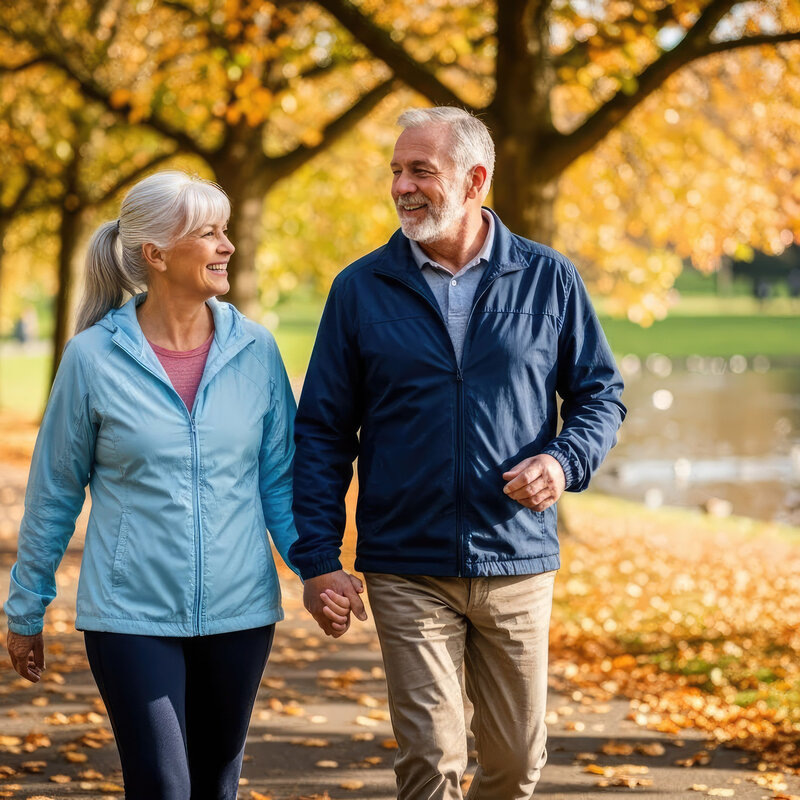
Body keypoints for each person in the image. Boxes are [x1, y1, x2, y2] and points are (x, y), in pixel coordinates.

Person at [290, 107, 626, 799]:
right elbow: (323, 431)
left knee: (515, 762)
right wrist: (319, 559)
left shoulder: (549, 278)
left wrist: (562, 461)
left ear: (475, 180)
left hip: (516, 560)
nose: (401, 187)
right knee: (431, 760)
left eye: (421, 171)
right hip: (405, 565)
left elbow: (601, 394)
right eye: (396, 171)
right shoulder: (359, 288)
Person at [3, 171, 317, 800]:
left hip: (240, 611)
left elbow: (280, 483)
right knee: (163, 788)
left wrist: (318, 568)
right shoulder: (92, 358)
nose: (227, 245)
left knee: (216, 788)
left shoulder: (256, 350)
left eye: (226, 230)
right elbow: (54, 492)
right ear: (156, 254)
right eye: (209, 233)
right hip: (130, 614)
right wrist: (25, 608)